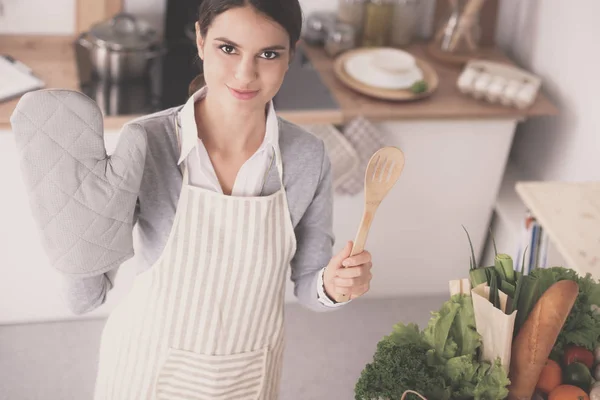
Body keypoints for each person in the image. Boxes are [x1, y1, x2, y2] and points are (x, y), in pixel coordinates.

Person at [66, 0, 373, 398]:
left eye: (268, 54)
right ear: (200, 39)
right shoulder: (147, 142)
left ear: (291, 54)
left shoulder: (307, 158)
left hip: (245, 375)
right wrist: (70, 211)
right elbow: (85, 295)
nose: (246, 74)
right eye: (228, 48)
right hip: (146, 364)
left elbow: (309, 287)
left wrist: (335, 286)